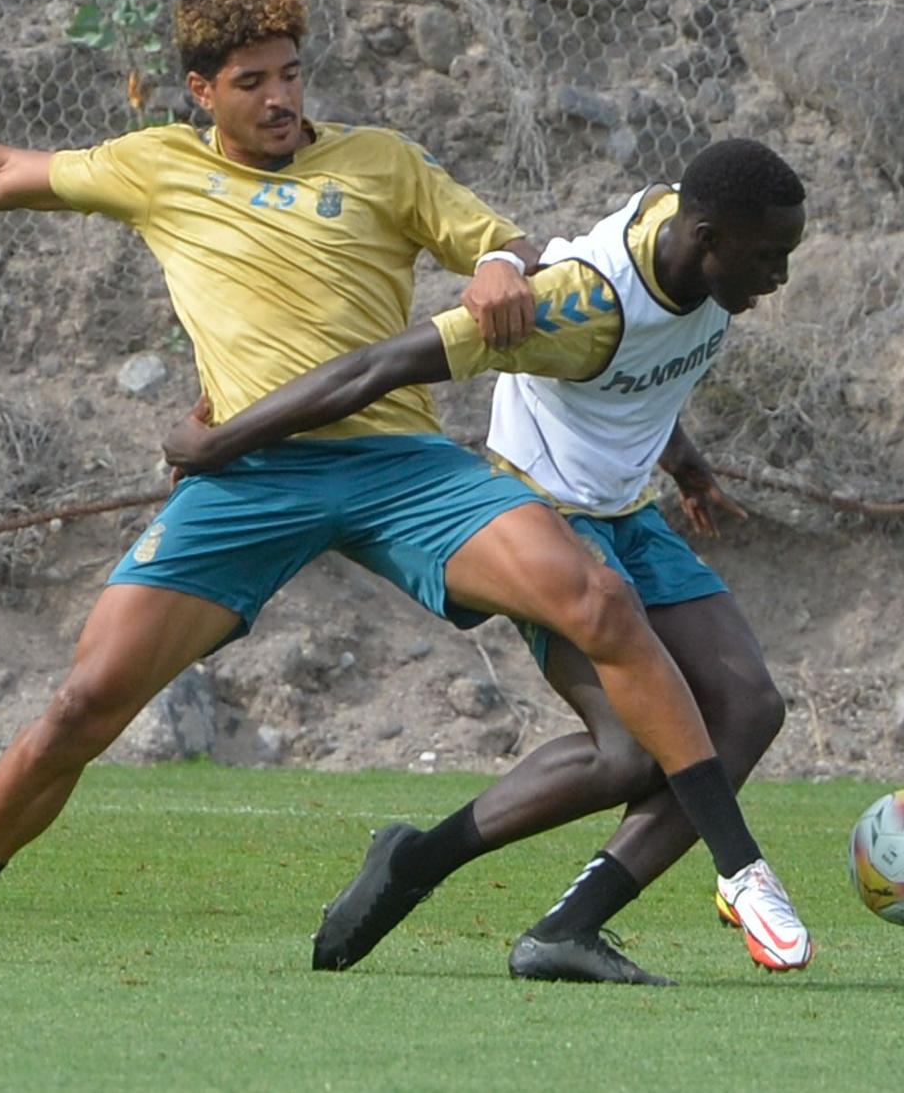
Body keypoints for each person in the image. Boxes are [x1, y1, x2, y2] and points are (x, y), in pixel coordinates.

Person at [0, 0, 800, 971]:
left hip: (400, 467)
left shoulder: (379, 161)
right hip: (249, 480)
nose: (280, 98)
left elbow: (506, 245)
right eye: (251, 81)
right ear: (201, 91)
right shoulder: (156, 166)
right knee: (82, 706)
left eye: (290, 73)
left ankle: (738, 868)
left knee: (596, 595)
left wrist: (491, 265)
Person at [162, 137, 812, 982]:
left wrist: (682, 459)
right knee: (628, 752)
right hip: (547, 522)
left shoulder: (705, 257)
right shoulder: (576, 305)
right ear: (706, 236)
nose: (780, 278)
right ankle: (714, 871)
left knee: (751, 706)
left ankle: (559, 926)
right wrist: (219, 445)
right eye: (768, 258)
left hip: (626, 511)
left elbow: (645, 363)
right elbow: (380, 365)